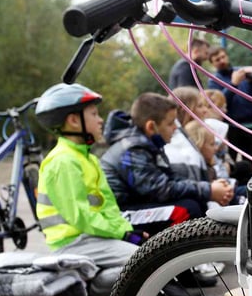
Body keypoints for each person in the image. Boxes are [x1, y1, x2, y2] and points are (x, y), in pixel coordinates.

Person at [33, 83, 147, 296]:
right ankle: (88, 292)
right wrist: (123, 235)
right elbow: (80, 215)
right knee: (144, 261)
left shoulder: (88, 159)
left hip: (90, 238)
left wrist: (128, 231)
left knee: (145, 253)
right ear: (74, 121)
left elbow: (108, 206)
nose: (100, 119)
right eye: (94, 114)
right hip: (72, 243)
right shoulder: (63, 161)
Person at [100, 92, 233, 230]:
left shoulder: (150, 145)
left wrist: (208, 187)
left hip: (137, 204)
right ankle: (175, 245)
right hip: (121, 212)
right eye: (170, 123)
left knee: (197, 202)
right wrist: (208, 190)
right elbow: (159, 189)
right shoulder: (133, 149)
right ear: (151, 127)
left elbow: (171, 178)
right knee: (186, 210)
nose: (175, 128)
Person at [207, 45, 252, 160]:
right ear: (212, 64)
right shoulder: (213, 81)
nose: (222, 61)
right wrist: (233, 84)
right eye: (217, 60)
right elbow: (219, 102)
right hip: (230, 128)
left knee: (249, 161)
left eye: (223, 57)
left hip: (249, 125)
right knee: (231, 162)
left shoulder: (240, 73)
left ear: (227, 56)